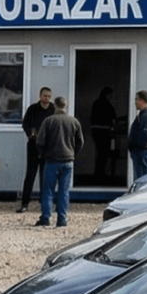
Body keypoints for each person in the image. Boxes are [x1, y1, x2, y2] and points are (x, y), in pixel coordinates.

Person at [36, 96, 83, 228]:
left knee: (48, 190)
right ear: (65, 106)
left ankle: (46, 217)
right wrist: (73, 153)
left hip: (51, 160)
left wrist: (43, 154)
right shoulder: (74, 122)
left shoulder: (48, 121)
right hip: (68, 160)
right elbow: (80, 142)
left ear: (55, 106)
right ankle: (62, 219)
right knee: (64, 191)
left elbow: (40, 142)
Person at [17, 87, 54, 211]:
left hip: (48, 147)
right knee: (30, 174)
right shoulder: (32, 109)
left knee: (46, 175)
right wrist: (31, 133)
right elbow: (25, 124)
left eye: (48, 96)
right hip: (34, 144)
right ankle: (25, 203)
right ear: (40, 96)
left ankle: (44, 202)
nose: (46, 98)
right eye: (44, 96)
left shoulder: (53, 109)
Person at [88, 87, 122, 184]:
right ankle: (101, 175)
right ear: (107, 94)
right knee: (104, 154)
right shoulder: (108, 105)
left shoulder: (96, 103)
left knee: (100, 153)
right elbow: (113, 119)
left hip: (95, 130)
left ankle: (97, 175)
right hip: (105, 131)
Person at [127, 90, 147, 183]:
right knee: (139, 177)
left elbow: (146, 134)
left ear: (143, 100)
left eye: (137, 99)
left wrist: (137, 147)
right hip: (140, 151)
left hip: (143, 152)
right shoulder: (143, 114)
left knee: (142, 178)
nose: (135, 102)